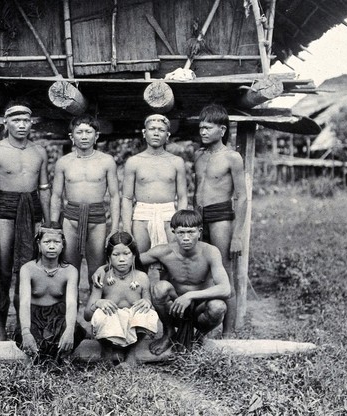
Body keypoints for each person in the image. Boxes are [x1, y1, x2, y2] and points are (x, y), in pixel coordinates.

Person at [93, 210, 231, 355]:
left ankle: (199, 336)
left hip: (199, 309)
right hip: (174, 308)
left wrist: (189, 295)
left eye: (191, 232)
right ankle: (169, 332)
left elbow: (225, 289)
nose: (186, 238)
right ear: (173, 232)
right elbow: (129, 260)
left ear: (200, 231)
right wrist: (103, 269)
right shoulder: (164, 252)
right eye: (181, 233)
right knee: (160, 287)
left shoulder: (210, 252)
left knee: (218, 306)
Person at [0, 104, 51, 342]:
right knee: (3, 269)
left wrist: (48, 222)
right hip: (5, 211)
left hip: (32, 211)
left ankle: (24, 328)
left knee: (27, 270)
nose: (21, 125)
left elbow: (44, 189)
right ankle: (0, 332)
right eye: (16, 120)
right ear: (5, 123)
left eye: (26, 121)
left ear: (32, 124)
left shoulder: (39, 152)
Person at [193, 104, 247, 336]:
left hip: (221, 215)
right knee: (200, 269)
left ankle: (228, 334)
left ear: (222, 129)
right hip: (198, 216)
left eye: (208, 128)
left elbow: (242, 197)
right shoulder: (199, 155)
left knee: (225, 271)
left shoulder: (232, 158)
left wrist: (237, 235)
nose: (203, 132)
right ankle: (199, 326)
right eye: (201, 128)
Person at [50, 114, 120, 287]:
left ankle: (94, 311)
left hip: (97, 218)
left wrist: (115, 227)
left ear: (96, 136)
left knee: (97, 269)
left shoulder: (106, 161)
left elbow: (115, 195)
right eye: (79, 132)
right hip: (71, 217)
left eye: (88, 132)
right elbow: (56, 196)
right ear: (71, 136)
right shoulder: (64, 162)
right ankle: (68, 312)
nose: (84, 136)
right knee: (68, 268)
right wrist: (52, 226)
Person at [84, 231, 158, 365]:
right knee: (100, 313)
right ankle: (106, 351)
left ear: (134, 255)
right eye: (116, 254)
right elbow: (87, 315)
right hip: (109, 331)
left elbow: (150, 307)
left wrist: (147, 303)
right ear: (109, 257)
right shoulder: (102, 278)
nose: (122, 259)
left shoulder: (141, 277)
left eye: (126, 253)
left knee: (149, 314)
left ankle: (131, 352)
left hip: (132, 332)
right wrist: (99, 303)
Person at [121, 114, 188, 253]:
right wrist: (127, 228)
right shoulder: (134, 162)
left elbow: (182, 197)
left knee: (171, 262)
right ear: (144, 133)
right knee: (139, 260)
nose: (156, 133)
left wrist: (180, 223)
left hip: (169, 215)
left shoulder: (176, 162)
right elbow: (127, 198)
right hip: (141, 215)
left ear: (167, 135)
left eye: (161, 130)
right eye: (152, 129)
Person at [18, 223, 86, 359]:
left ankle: (58, 355)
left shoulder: (70, 271)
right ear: (38, 243)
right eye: (47, 241)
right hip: (34, 316)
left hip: (58, 318)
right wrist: (26, 332)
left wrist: (69, 330)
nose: (51, 246)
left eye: (56, 242)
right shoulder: (27, 269)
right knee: (27, 337)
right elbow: (24, 303)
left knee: (74, 332)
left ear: (63, 244)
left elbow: (72, 303)